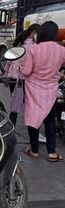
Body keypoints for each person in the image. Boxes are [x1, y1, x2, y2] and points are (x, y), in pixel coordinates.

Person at [20, 21, 65, 162]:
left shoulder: (33, 49)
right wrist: (58, 73)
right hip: (50, 89)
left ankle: (34, 150)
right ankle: (52, 152)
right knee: (50, 120)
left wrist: (20, 67)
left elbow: (27, 71)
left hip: (33, 89)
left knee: (33, 120)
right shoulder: (61, 50)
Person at [4, 23, 40, 125]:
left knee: (15, 104)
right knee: (30, 105)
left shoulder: (20, 45)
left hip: (12, 79)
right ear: (34, 33)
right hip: (24, 79)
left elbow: (9, 62)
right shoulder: (34, 48)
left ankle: (11, 127)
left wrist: (6, 76)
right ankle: (33, 129)